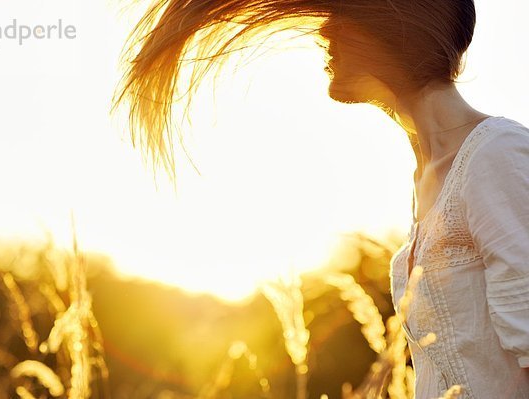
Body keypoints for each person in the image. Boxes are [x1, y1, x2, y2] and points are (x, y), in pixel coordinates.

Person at [110, 0, 529, 397]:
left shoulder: (495, 154)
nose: (324, 32)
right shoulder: (426, 177)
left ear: (390, 29)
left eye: (342, 16)